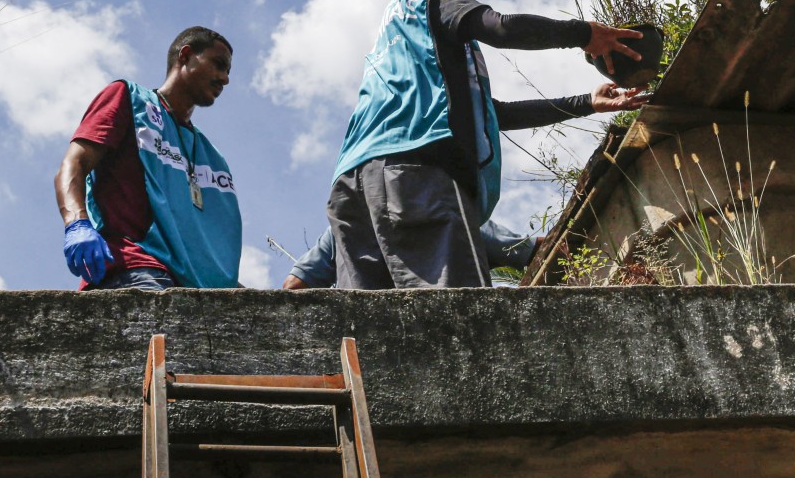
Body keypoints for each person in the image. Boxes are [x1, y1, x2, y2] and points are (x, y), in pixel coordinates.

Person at [328, 0, 648, 290]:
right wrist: (585, 34)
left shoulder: (392, 44)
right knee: (458, 314)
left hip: (350, 189)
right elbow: (501, 27)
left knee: (369, 328)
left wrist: (586, 102)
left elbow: (492, 114)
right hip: (413, 174)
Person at [54, 26, 241, 290]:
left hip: (193, 286)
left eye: (228, 71)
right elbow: (74, 163)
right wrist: (77, 223)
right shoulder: (128, 98)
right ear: (186, 55)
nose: (225, 78)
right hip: (136, 267)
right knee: (162, 328)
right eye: (219, 65)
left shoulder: (212, 156)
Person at [282, 221, 541, 289]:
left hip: (362, 347)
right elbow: (525, 250)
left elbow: (295, 285)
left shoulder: (342, 228)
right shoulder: (442, 203)